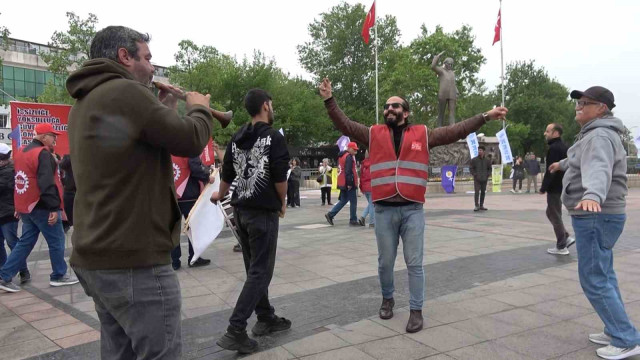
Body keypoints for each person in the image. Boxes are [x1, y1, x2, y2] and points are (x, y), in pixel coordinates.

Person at [66, 26, 213, 359]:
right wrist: (200, 108)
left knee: (120, 353)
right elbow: (190, 138)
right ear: (124, 57)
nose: (152, 66)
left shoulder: (87, 100)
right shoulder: (125, 92)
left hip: (98, 255)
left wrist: (162, 107)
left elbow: (134, 145)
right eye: (146, 57)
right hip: (134, 259)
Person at [318, 77, 507, 333]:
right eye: (386, 106)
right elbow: (346, 125)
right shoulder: (373, 134)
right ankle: (388, 299)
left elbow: (458, 130)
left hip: (412, 210)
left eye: (395, 106)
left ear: (405, 113)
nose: (389, 109)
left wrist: (485, 116)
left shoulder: (423, 134)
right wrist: (330, 100)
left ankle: (416, 310)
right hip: (383, 209)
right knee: (385, 262)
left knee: (414, 263)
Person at [549, 86, 639, 360]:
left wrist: (592, 195)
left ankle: (625, 338)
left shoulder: (598, 135)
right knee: (605, 274)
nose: (578, 106)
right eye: (578, 102)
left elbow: (598, 167)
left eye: (585, 102)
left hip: (595, 214)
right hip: (598, 215)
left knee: (594, 278)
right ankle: (616, 329)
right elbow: (579, 157)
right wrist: (561, 164)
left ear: (602, 108)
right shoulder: (595, 133)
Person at [211, 89, 291, 354]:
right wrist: (281, 202)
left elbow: (228, 172)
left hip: (240, 212)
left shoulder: (237, 137)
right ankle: (236, 329)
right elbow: (280, 176)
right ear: (266, 106)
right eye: (273, 104)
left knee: (253, 268)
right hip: (261, 211)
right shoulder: (274, 137)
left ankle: (265, 317)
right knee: (261, 270)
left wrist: (220, 195)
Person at [0, 124, 78, 293]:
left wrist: (18, 205)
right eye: (52, 135)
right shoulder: (42, 154)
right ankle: (59, 275)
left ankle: (5, 275)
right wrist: (53, 207)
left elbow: (18, 180)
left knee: (25, 242)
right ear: (43, 137)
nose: (55, 138)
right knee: (56, 240)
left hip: (27, 206)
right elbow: (46, 182)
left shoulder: (21, 152)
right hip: (42, 205)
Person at [171, 155, 214, 269]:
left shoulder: (168, 146)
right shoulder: (189, 147)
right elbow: (195, 168)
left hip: (172, 193)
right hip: (189, 194)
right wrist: (207, 176)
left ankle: (174, 260)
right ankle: (194, 258)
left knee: (173, 228)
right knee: (194, 228)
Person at [540, 123, 574, 255]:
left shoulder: (554, 148)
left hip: (555, 187)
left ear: (555, 133)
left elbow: (551, 170)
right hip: (562, 185)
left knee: (554, 214)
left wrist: (544, 187)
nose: (545, 133)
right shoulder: (564, 146)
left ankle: (561, 245)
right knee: (551, 213)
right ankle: (565, 236)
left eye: (547, 131)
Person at [0, 143, 30, 285]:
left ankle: (23, 270)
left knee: (13, 243)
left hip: (8, 212)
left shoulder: (9, 171)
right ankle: (4, 271)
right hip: (4, 212)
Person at [324, 142, 359, 226]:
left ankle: (331, 214)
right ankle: (353, 219)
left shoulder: (341, 156)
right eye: (354, 150)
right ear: (349, 148)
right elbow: (348, 171)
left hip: (342, 181)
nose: (355, 152)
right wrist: (350, 183)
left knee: (343, 200)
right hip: (348, 182)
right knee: (353, 201)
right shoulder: (349, 157)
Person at [470, 146, 492, 211]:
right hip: (477, 179)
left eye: (481, 150)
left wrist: (487, 175)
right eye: (479, 150)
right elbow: (471, 168)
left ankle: (481, 205)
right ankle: (476, 205)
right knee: (477, 192)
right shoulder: (474, 160)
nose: (479, 151)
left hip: (484, 179)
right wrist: (475, 174)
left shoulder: (487, 160)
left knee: (483, 192)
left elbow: (489, 169)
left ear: (484, 151)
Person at [59, 154, 75, 233]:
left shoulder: (66, 164)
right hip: (71, 190)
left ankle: (66, 224)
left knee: (67, 209)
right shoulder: (72, 162)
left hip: (69, 190)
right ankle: (66, 224)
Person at [358, 151, 374, 227]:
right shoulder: (374, 163)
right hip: (372, 187)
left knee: (371, 204)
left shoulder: (363, 165)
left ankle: (362, 217)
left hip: (365, 187)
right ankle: (372, 222)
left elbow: (361, 177)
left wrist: (361, 187)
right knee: (372, 205)